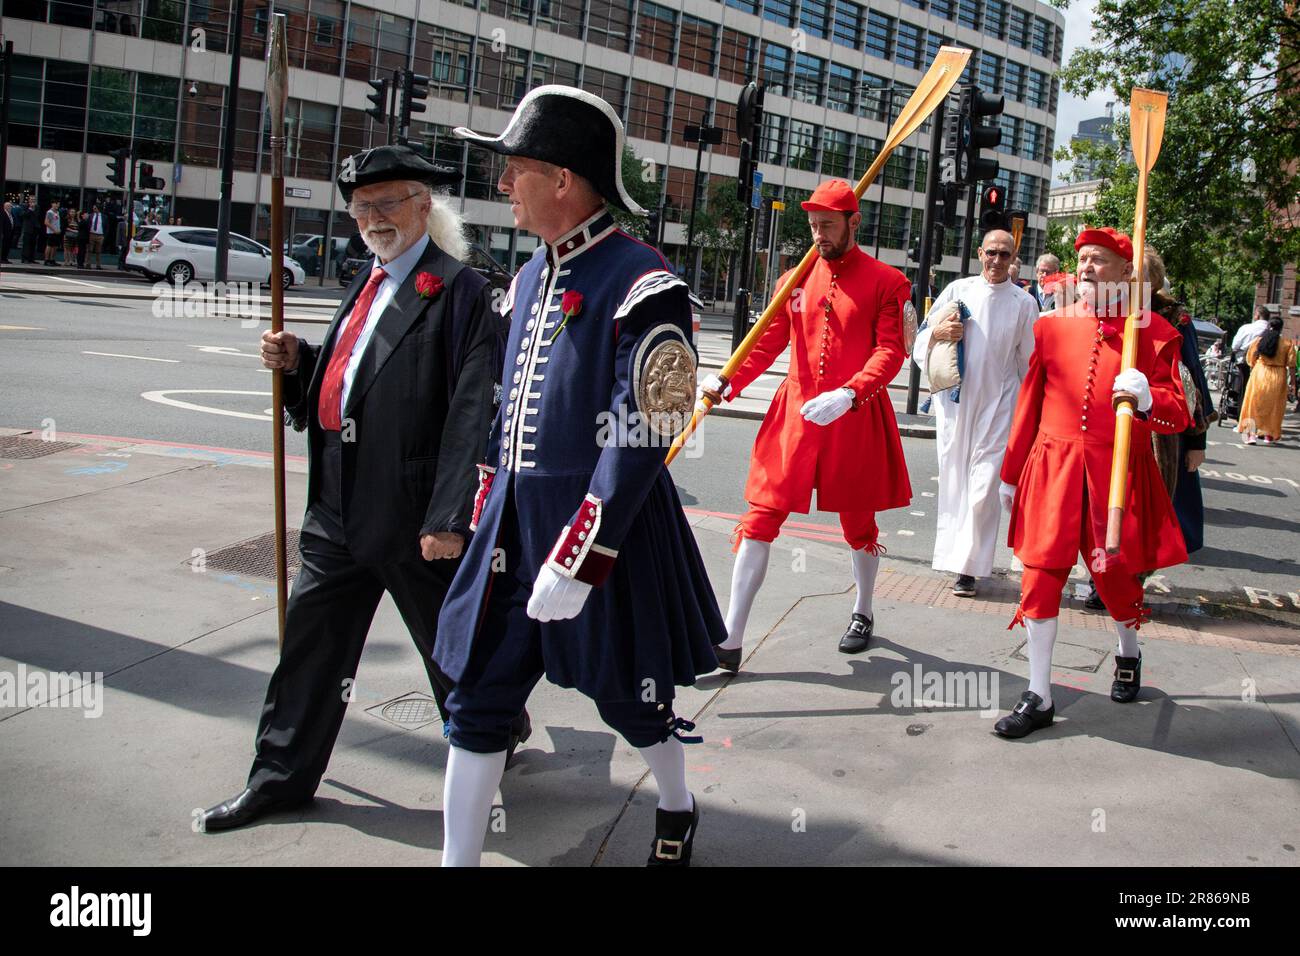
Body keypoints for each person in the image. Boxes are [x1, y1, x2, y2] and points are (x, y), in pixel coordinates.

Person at [434, 85, 726, 867]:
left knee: (633, 699)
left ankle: (676, 802)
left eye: (516, 169)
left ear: (562, 179)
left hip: (602, 526)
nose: (503, 186)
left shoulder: (644, 280)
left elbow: (651, 419)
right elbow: (505, 407)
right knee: (477, 701)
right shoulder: (529, 276)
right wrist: (477, 508)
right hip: (510, 533)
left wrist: (583, 551)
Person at [200, 144, 512, 832]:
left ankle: (494, 728)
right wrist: (299, 364)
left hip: (412, 513)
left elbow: (473, 406)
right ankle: (279, 778)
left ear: (424, 206)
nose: (374, 217)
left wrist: (449, 514)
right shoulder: (366, 281)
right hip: (336, 507)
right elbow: (352, 382)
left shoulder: (461, 290)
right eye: (361, 206)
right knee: (310, 648)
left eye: (389, 202)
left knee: (451, 649)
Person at [704, 178, 913, 665]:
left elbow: (891, 349)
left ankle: (862, 609)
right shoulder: (793, 279)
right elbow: (768, 340)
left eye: (827, 225)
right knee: (759, 517)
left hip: (853, 415)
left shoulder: (888, 281)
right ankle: (731, 637)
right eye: (813, 226)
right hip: (795, 413)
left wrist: (851, 392)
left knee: (859, 523)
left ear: (853, 223)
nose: (818, 235)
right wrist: (728, 380)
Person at [994, 226, 1190, 738]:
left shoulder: (1153, 333)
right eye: (1082, 259)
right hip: (1052, 469)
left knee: (1117, 581)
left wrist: (1148, 398)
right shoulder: (1051, 326)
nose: (1085, 268)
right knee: (1038, 576)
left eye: (1098, 260)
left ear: (1126, 272)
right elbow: (1028, 406)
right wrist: (1011, 473)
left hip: (1116, 474)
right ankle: (1039, 694)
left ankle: (1129, 649)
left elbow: (1177, 415)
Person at [912, 228, 1037, 597]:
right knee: (954, 480)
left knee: (984, 488)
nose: (997, 261)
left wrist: (1034, 412)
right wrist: (939, 331)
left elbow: (1029, 362)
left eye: (1005, 254)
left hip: (999, 405)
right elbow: (921, 339)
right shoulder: (957, 291)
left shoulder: (1024, 303)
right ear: (980, 253)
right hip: (955, 403)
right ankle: (955, 559)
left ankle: (970, 567)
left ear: (1014, 258)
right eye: (992, 253)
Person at [1237, 317, 1295, 445]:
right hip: (1278, 376)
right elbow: (1291, 365)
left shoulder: (1259, 341)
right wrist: (1293, 384)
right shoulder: (1287, 343)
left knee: (1252, 404)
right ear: (1281, 328)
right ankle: (1269, 435)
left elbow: (1250, 359)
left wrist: (1255, 367)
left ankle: (1250, 435)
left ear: (1269, 326)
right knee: (1274, 407)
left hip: (1260, 372)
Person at [86, 204, 106, 269]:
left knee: (98, 251)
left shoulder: (104, 216)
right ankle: (88, 264)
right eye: (93, 208)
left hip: (100, 235)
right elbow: (88, 224)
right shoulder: (91, 215)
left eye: (95, 208)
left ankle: (98, 265)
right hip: (92, 234)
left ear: (98, 209)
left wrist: (104, 236)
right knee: (89, 250)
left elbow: (107, 226)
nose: (93, 209)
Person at [21, 199, 40, 263]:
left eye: (34, 201)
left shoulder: (37, 207)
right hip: (28, 228)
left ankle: (31, 259)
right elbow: (23, 215)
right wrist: (30, 209)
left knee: (33, 244)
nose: (32, 202)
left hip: (35, 228)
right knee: (26, 244)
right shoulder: (25, 207)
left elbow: (37, 216)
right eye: (31, 200)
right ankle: (25, 259)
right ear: (29, 201)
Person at [44, 200, 62, 266]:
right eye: (56, 204)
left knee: (55, 247)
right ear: (52, 204)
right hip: (51, 232)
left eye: (58, 204)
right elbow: (46, 222)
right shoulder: (50, 212)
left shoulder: (57, 212)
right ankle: (46, 260)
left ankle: (52, 260)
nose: (57, 205)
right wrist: (54, 230)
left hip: (56, 232)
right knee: (49, 246)